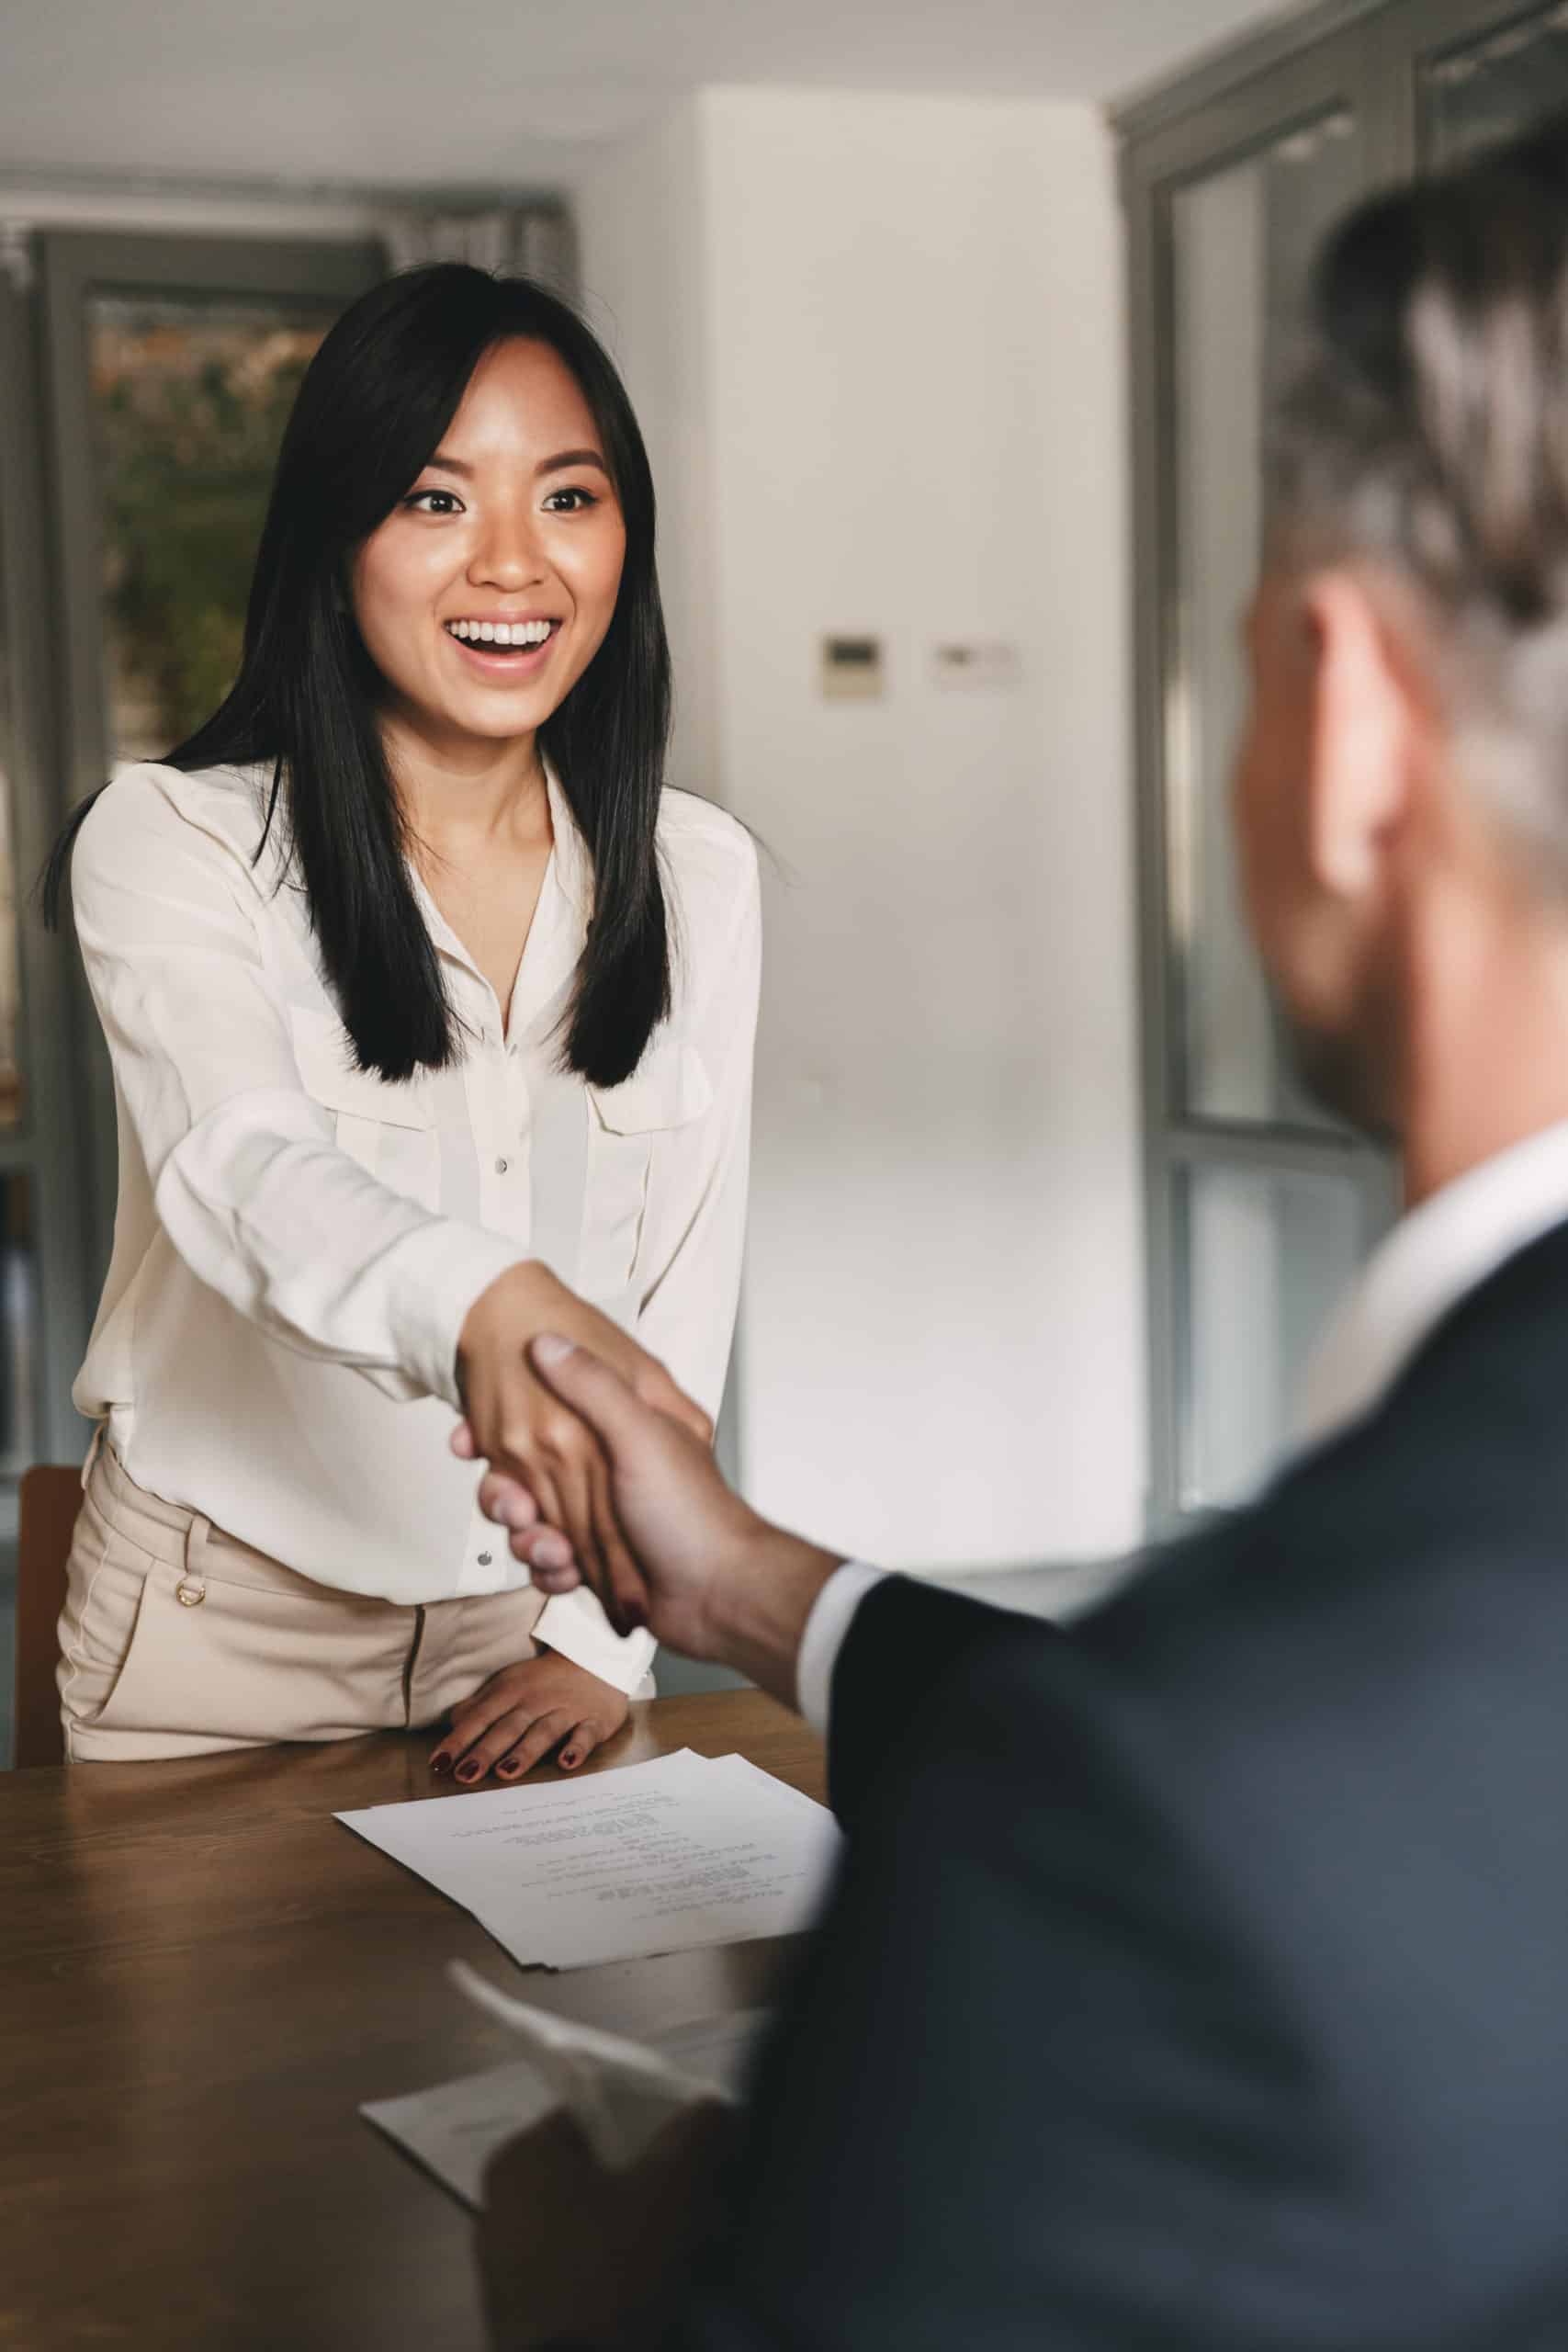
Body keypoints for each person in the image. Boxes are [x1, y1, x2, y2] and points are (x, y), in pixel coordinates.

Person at [471, 121, 1568, 2348]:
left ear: (1343, 714)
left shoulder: (1151, 1848)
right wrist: (755, 1585)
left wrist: (612, 2283)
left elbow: (1255, 1809)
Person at [46, 264, 759, 1772]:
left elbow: (686, 1269)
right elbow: (237, 1172)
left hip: (538, 1621)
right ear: (334, 537)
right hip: (213, 1633)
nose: (514, 565)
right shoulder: (173, 842)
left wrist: (599, 1637)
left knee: (569, 2019)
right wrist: (483, 1300)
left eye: (568, 499)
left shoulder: (697, 872)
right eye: (438, 502)